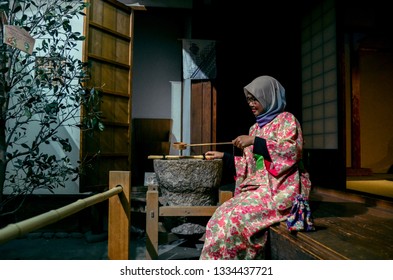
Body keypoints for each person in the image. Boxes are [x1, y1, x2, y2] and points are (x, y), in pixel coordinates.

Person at [200, 75, 312, 260]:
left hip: (278, 187)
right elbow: (249, 165)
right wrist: (225, 157)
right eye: (249, 100)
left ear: (269, 96)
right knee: (220, 217)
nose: (251, 104)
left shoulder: (286, 120)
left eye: (255, 99)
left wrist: (255, 141)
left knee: (236, 219)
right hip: (256, 187)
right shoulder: (255, 128)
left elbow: (292, 151)